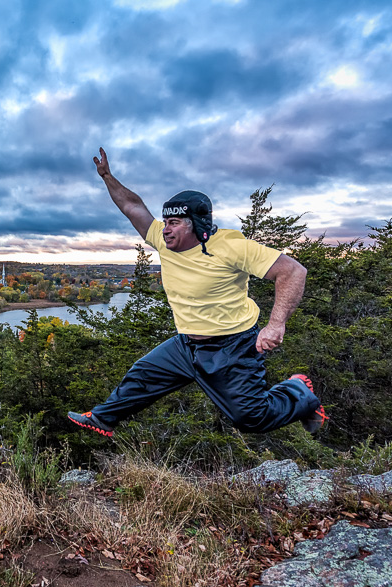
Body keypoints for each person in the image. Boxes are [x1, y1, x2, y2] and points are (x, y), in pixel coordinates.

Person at [67, 148, 328, 439]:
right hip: (186, 344)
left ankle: (298, 391)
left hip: (232, 346)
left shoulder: (230, 246)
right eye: (166, 223)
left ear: (197, 225)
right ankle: (103, 418)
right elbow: (133, 207)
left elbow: (293, 272)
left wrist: (276, 324)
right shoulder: (166, 242)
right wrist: (107, 177)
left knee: (251, 418)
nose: (165, 230)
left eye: (174, 223)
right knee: (143, 375)